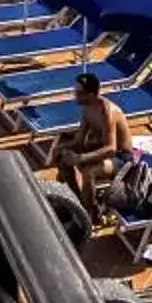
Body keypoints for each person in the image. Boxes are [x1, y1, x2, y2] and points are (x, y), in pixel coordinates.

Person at [54, 71, 130, 222]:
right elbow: (79, 139)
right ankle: (76, 201)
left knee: (89, 171)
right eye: (74, 91)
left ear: (90, 94)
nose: (75, 95)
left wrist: (81, 158)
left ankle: (90, 214)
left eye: (79, 93)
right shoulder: (86, 108)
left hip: (121, 159)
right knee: (61, 157)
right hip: (100, 150)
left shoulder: (106, 111)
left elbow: (111, 148)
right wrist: (61, 149)